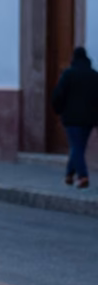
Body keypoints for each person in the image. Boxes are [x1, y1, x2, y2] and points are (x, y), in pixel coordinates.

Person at [51, 46, 98, 190]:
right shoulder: (94, 75)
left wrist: (58, 111)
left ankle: (83, 176)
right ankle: (69, 175)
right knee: (78, 146)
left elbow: (58, 95)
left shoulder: (68, 74)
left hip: (71, 119)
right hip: (89, 120)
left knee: (76, 146)